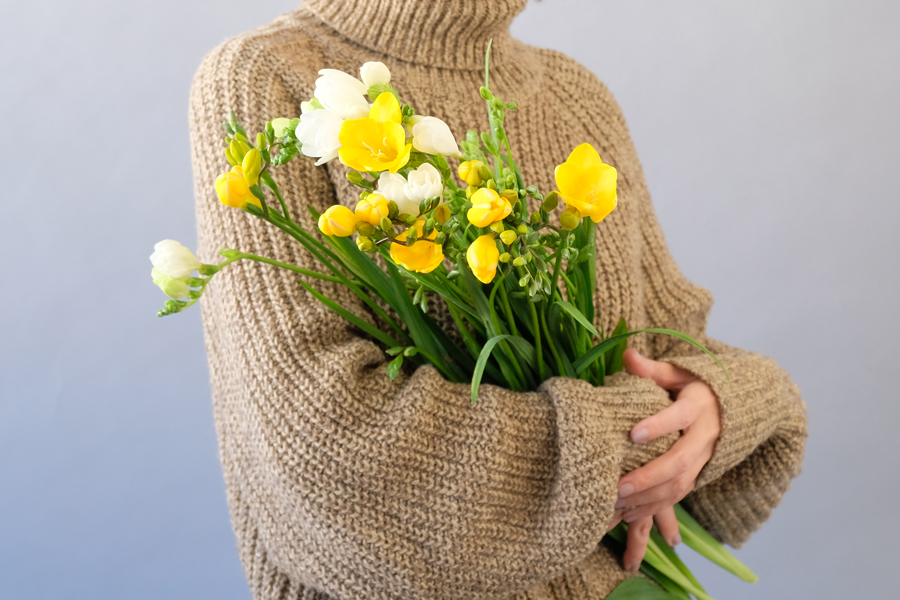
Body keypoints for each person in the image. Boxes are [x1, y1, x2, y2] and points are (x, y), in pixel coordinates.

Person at [188, 1, 807, 598]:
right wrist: (644, 441)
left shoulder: (576, 94)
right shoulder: (267, 77)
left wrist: (734, 401)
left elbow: (673, 352)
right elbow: (330, 461)